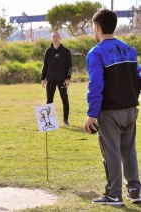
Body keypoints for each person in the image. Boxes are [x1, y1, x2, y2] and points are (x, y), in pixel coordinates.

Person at [85, 9, 141, 206]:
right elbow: (139, 78)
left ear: (97, 27)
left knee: (111, 153)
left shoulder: (96, 52)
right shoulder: (130, 50)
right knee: (129, 151)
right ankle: (135, 191)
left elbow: (96, 84)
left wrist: (92, 114)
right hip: (131, 110)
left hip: (109, 112)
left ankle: (113, 194)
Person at [41, 31, 72, 126]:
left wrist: (68, 78)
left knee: (65, 100)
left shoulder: (66, 51)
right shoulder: (48, 51)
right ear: (51, 38)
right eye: (53, 37)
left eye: (57, 36)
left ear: (60, 38)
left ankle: (65, 120)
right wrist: (43, 78)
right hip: (50, 80)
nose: (55, 38)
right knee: (49, 100)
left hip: (62, 80)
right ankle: (49, 121)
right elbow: (45, 66)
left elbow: (70, 66)